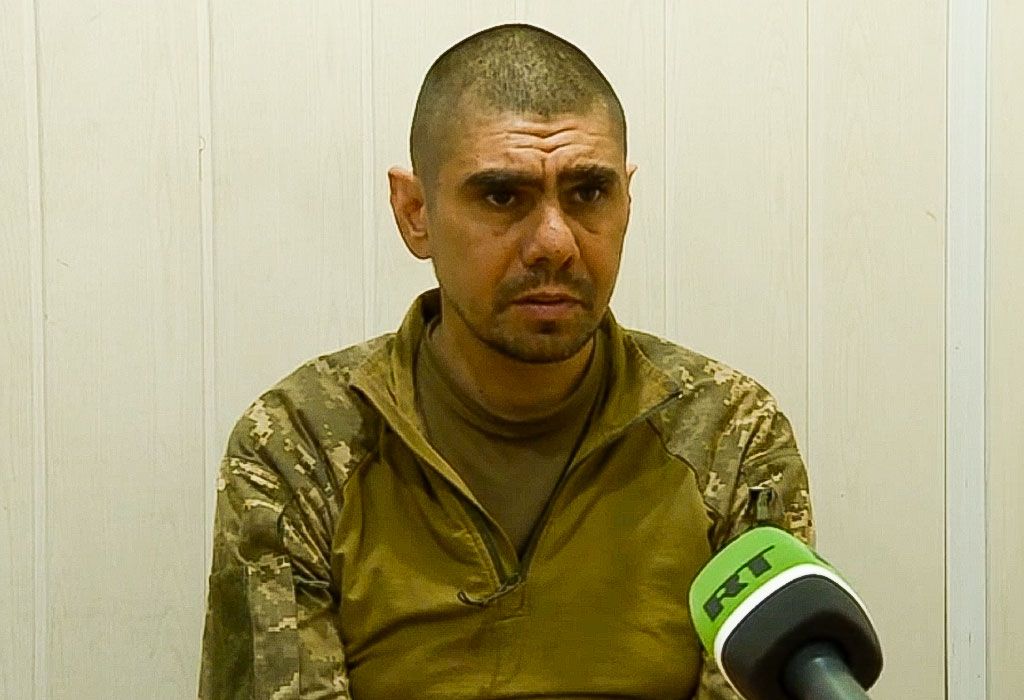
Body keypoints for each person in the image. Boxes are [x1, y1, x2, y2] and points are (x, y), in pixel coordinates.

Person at [198, 23, 813, 700]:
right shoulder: (301, 443)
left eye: (589, 193)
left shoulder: (729, 433)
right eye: (501, 196)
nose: (554, 242)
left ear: (627, 200)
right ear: (415, 212)